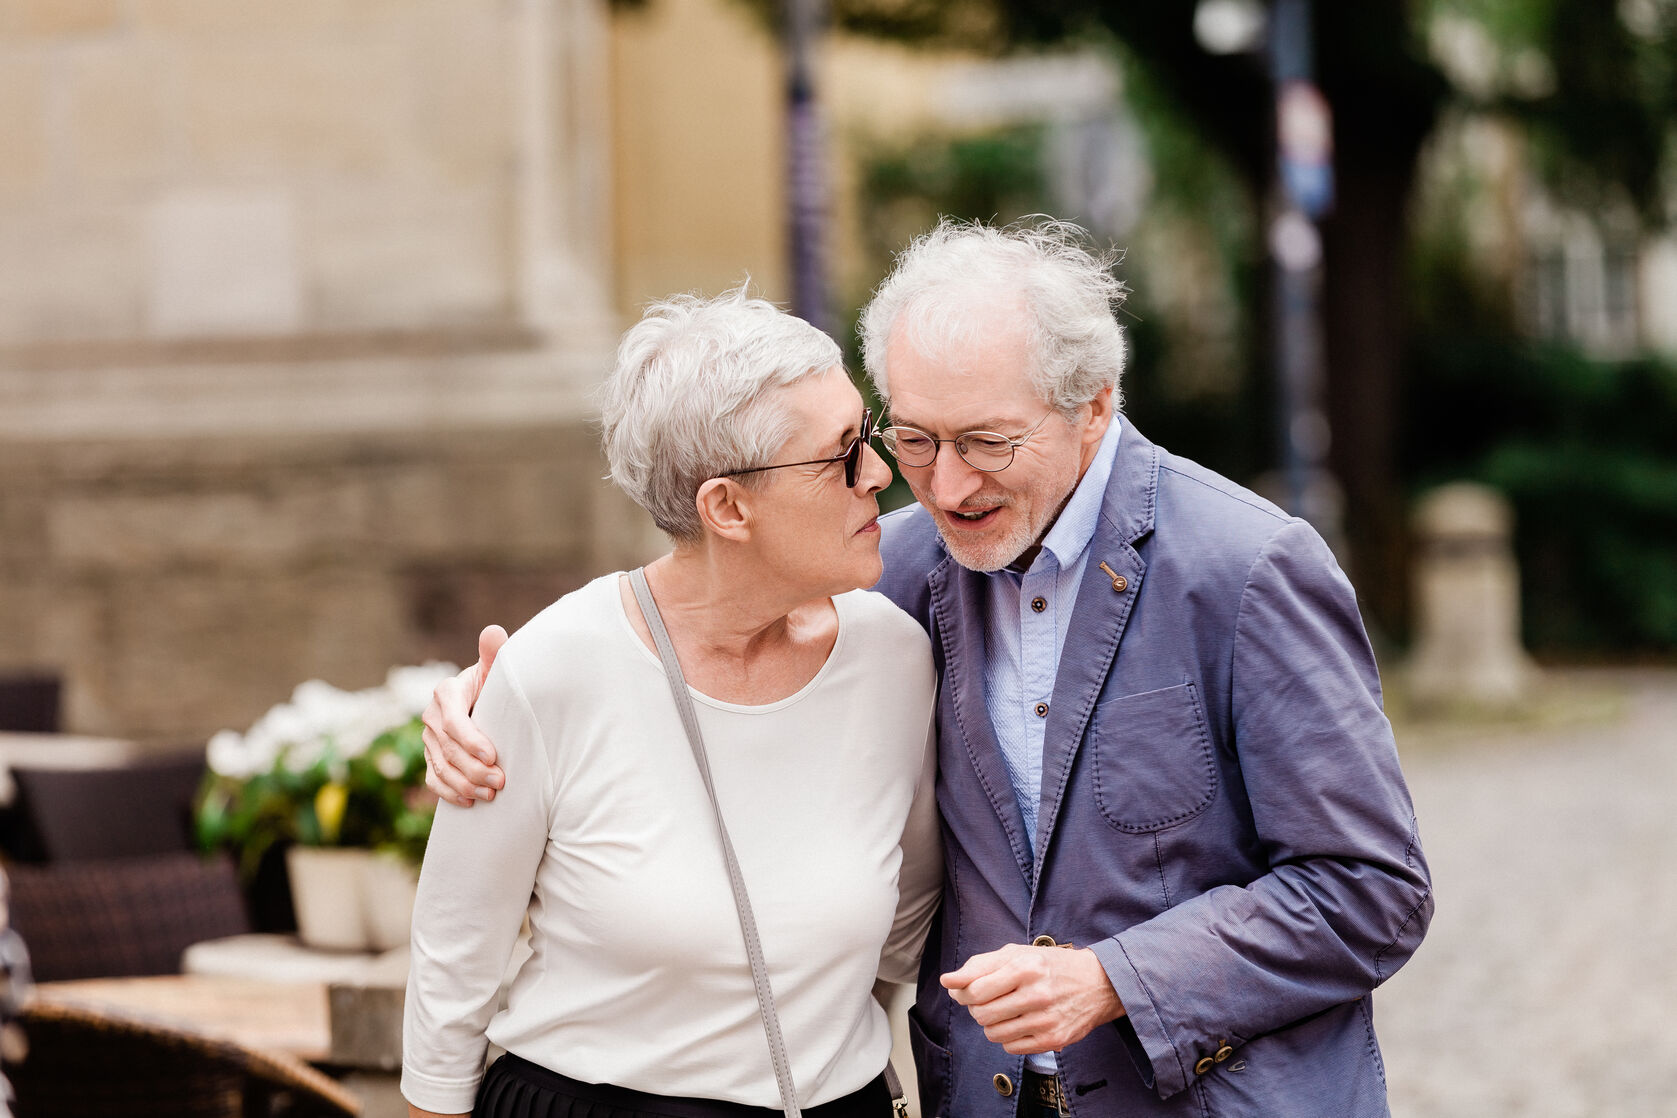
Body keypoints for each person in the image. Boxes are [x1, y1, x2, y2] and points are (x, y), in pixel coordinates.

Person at [425, 220, 1433, 1118]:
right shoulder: (894, 570)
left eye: (987, 441)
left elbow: (1372, 887)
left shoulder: (1248, 570)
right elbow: (699, 630)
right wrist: (479, 716)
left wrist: (1118, 976)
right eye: (911, 437)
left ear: (1095, 404)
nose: (943, 486)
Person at [401, 288, 942, 1118]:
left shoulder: (894, 655)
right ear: (726, 507)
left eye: (865, 434)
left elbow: (905, 925)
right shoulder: (554, 668)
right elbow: (452, 969)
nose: (879, 472)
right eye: (840, 454)